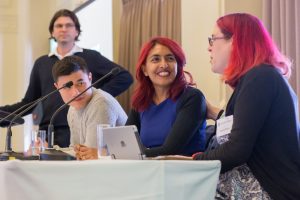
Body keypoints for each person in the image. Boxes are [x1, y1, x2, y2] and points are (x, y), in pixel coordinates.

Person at [191, 13, 300, 199]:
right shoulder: (257, 78)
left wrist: (194, 161)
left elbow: (237, 150)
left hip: (271, 190)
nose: (208, 48)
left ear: (235, 41)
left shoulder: (260, 77)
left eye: (212, 39)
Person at [0, 9, 133, 147]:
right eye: (59, 26)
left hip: (85, 124)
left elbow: (124, 77)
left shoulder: (91, 57)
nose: (64, 29)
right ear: (52, 32)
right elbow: (30, 102)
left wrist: (92, 95)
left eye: (69, 25)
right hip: (49, 129)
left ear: (77, 31)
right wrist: (3, 115)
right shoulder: (41, 63)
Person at [126, 36, 207, 157]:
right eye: (155, 59)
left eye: (170, 58)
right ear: (145, 70)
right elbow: (126, 143)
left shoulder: (192, 98)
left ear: (178, 66)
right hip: (148, 169)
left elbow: (171, 150)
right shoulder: (141, 102)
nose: (164, 65)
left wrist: (127, 154)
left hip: (183, 171)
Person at [52, 55, 127, 160]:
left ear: (90, 78)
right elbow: (76, 151)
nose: (76, 93)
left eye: (81, 83)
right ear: (57, 87)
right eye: (67, 86)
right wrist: (48, 151)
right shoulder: (72, 108)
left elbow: (90, 157)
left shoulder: (101, 103)